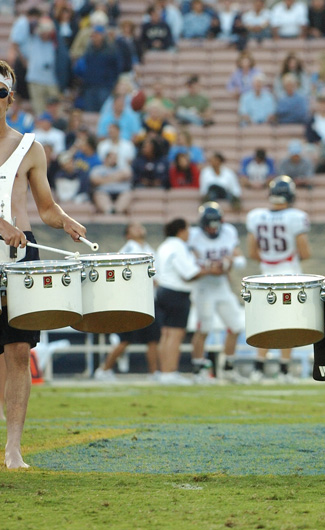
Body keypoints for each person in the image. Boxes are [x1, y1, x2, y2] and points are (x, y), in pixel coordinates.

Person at [0, 59, 87, 468]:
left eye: (0, 94)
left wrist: (67, 223)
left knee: (18, 350)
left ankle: (13, 447)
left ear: (10, 98)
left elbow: (46, 208)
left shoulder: (30, 147)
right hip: (6, 238)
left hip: (21, 253)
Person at [245, 176, 311, 382]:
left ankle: (258, 368)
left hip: (264, 274)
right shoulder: (295, 216)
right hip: (289, 273)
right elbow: (305, 252)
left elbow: (252, 252)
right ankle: (284, 370)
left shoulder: (256, 216)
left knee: (265, 321)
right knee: (288, 322)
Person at [154, 217, 223, 386]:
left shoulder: (164, 246)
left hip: (163, 290)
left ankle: (164, 371)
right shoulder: (178, 247)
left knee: (166, 334)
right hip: (176, 293)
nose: (189, 234)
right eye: (187, 230)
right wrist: (209, 270)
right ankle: (170, 372)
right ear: (180, 231)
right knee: (175, 335)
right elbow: (189, 273)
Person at [93, 222, 161, 382]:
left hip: (149, 299)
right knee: (126, 339)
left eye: (140, 226)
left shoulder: (148, 248)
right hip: (134, 301)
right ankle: (104, 370)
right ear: (128, 234)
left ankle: (153, 373)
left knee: (152, 339)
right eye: (134, 227)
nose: (139, 228)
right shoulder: (129, 250)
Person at [188, 202, 247, 384]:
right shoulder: (194, 236)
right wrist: (209, 267)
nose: (213, 230)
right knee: (204, 328)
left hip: (221, 286)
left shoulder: (228, 231)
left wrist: (229, 263)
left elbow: (240, 259)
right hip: (203, 288)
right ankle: (198, 370)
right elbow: (191, 262)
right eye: (209, 226)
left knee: (236, 326)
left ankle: (228, 368)